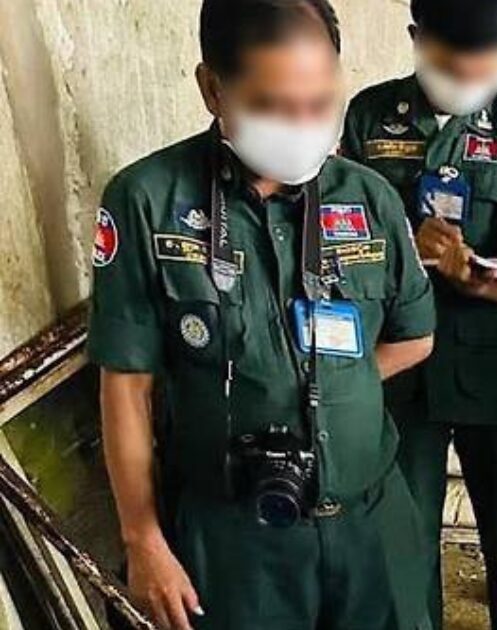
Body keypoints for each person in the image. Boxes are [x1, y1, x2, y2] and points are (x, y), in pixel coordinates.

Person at [88, 1, 437, 628]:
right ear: (213, 89)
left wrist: (323, 388)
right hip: (234, 542)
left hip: (371, 528)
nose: (303, 125)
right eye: (274, 107)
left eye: (320, 103)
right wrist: (143, 540)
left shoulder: (371, 199)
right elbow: (126, 385)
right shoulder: (147, 201)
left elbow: (415, 338)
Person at [341, 1, 497, 629]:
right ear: (418, 40)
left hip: (494, 365)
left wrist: (479, 282)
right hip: (403, 365)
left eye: (483, 64)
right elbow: (341, 239)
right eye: (453, 64)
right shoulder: (370, 116)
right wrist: (405, 244)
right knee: (408, 542)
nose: (468, 77)